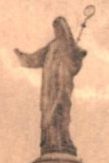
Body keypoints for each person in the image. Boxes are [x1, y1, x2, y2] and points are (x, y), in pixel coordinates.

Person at [15, 16, 87, 155]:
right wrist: (22, 56)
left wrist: (78, 55)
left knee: (60, 110)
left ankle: (63, 139)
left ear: (64, 29)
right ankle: (51, 140)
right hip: (50, 86)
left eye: (58, 28)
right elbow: (36, 58)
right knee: (49, 112)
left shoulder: (70, 46)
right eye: (55, 28)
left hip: (62, 84)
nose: (56, 31)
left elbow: (75, 63)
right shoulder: (52, 46)